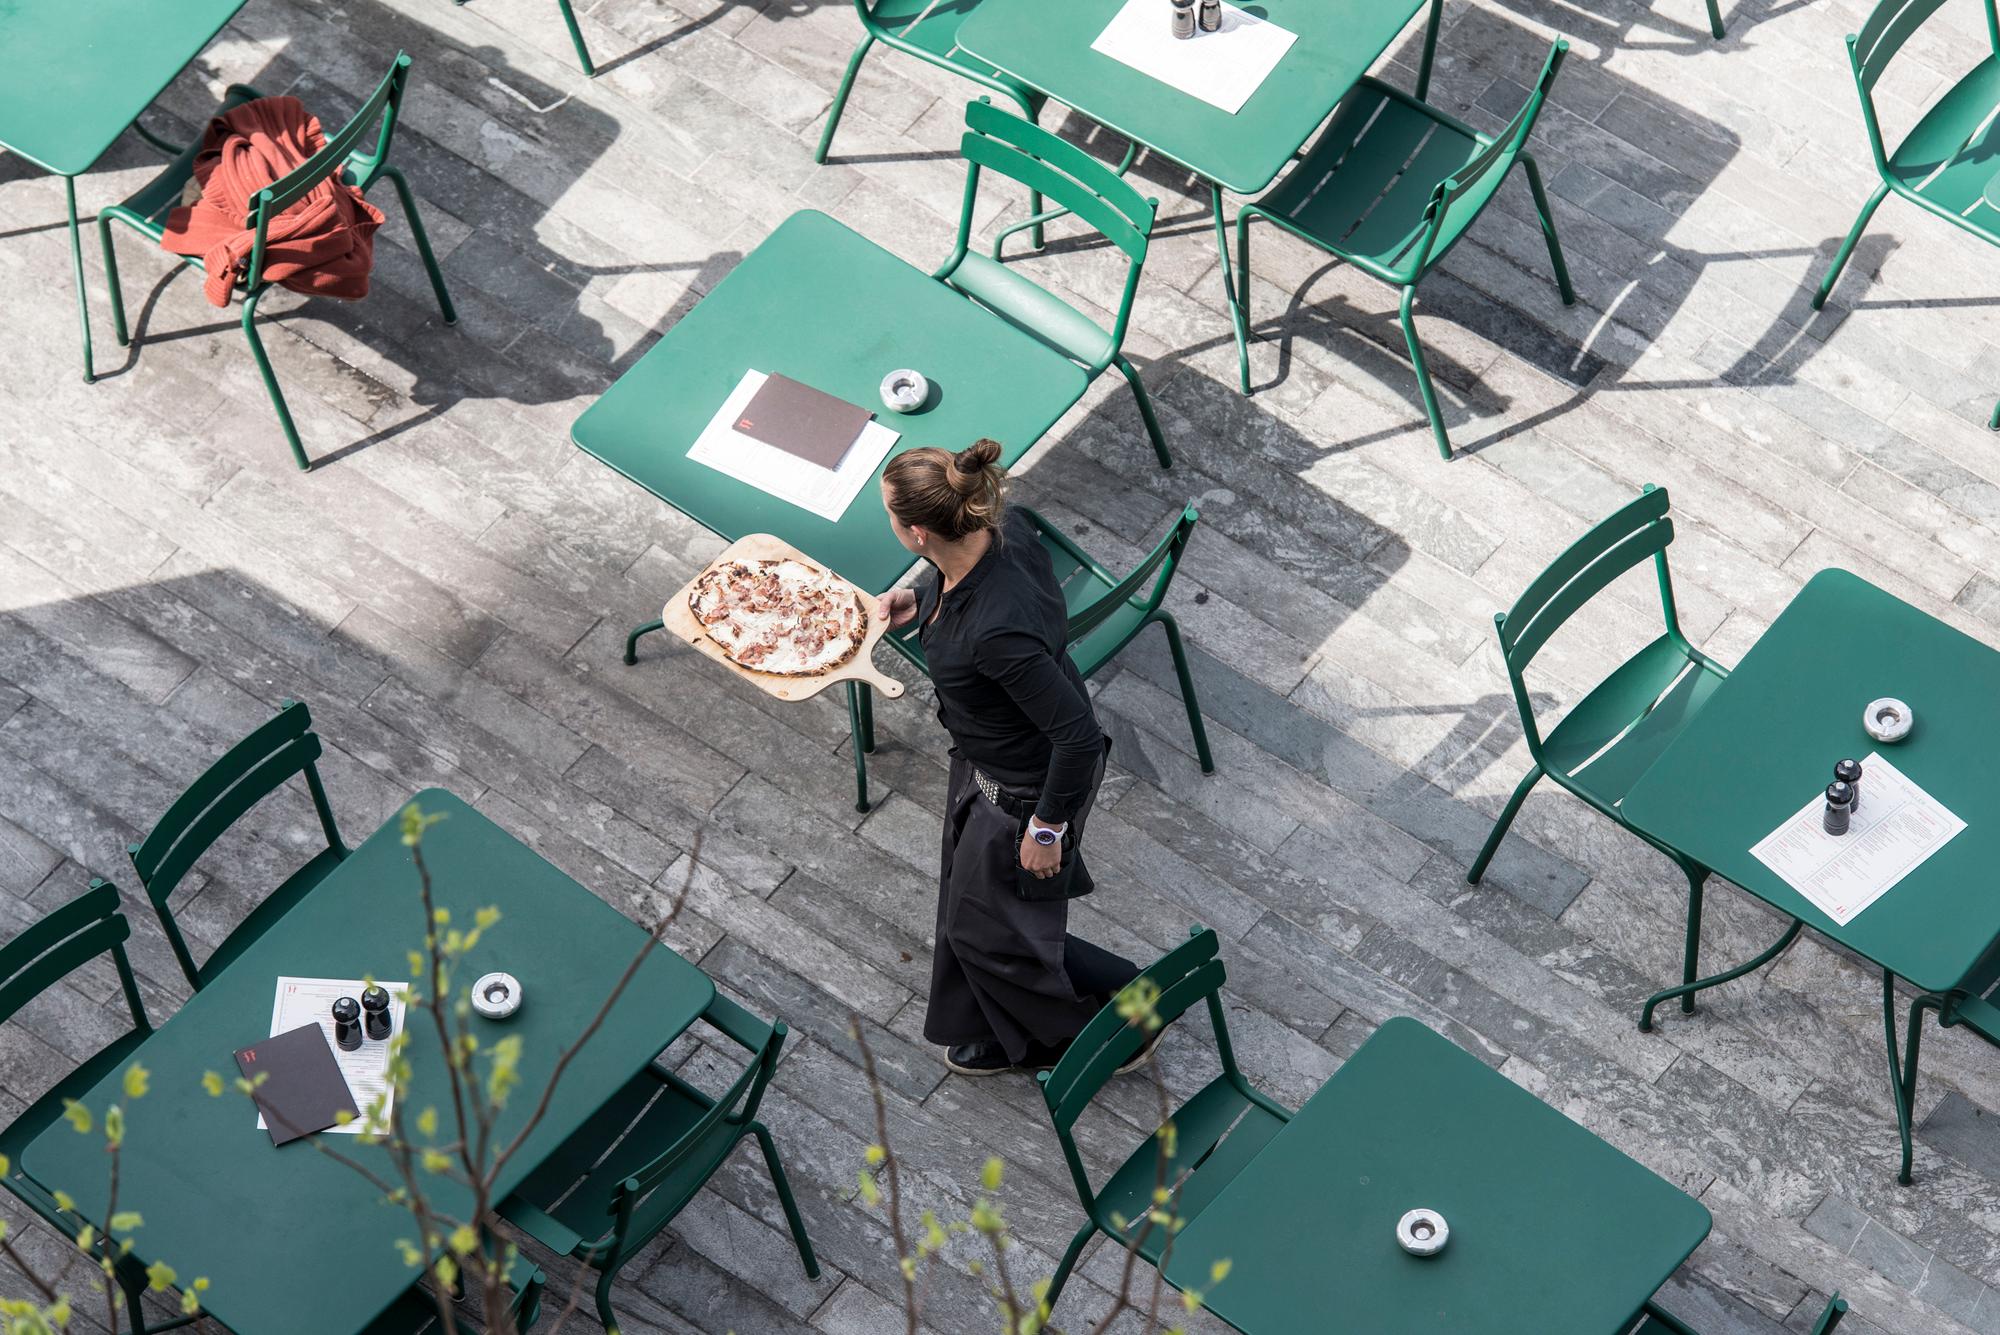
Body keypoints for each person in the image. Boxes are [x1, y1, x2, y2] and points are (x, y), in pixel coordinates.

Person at [876, 439, 1151, 1076]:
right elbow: (968, 584)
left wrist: (1047, 829)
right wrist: (923, 603)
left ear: (917, 531)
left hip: (1027, 791)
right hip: (987, 761)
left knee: (986, 933)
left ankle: (1112, 1037)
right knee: (976, 913)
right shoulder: (1007, 530)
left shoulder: (995, 635)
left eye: (890, 516)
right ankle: (1132, 988)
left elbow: (1076, 738)